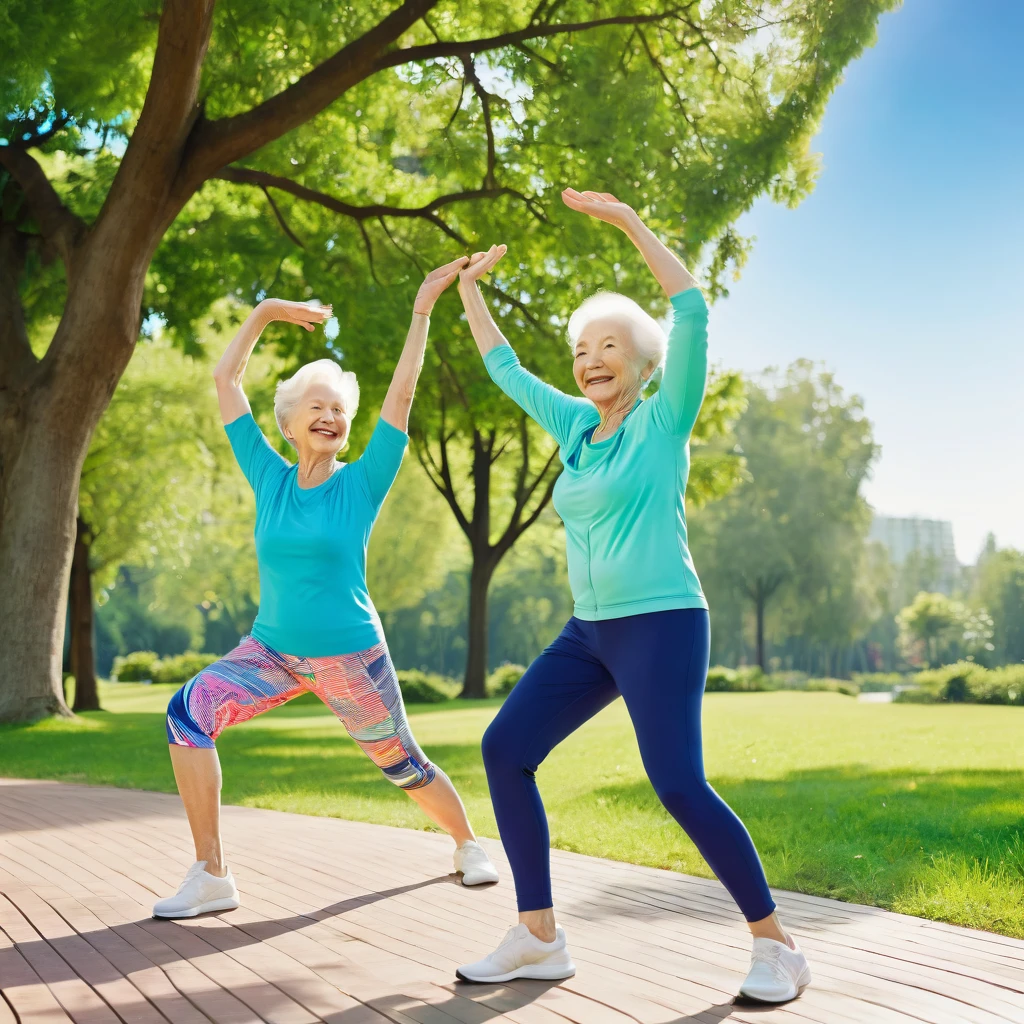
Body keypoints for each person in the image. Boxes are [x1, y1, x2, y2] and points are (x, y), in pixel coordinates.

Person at [452, 190, 811, 1004]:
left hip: (663, 623)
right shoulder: (578, 429)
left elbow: (690, 307)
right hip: (591, 633)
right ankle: (540, 936)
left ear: (644, 365)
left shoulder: (664, 418)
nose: (590, 360)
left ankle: (778, 945)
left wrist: (625, 222)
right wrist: (467, 292)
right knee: (506, 749)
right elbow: (506, 369)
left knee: (678, 782)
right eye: (582, 349)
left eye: (609, 346)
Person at [154, 257, 498, 919]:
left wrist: (423, 308)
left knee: (404, 764)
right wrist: (269, 312)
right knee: (186, 715)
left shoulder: (361, 484)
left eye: (339, 409)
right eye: (317, 405)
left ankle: (467, 843)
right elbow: (225, 379)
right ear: (289, 423)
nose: (331, 415)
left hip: (350, 656)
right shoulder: (269, 476)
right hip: (272, 652)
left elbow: (401, 394)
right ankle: (212, 873)